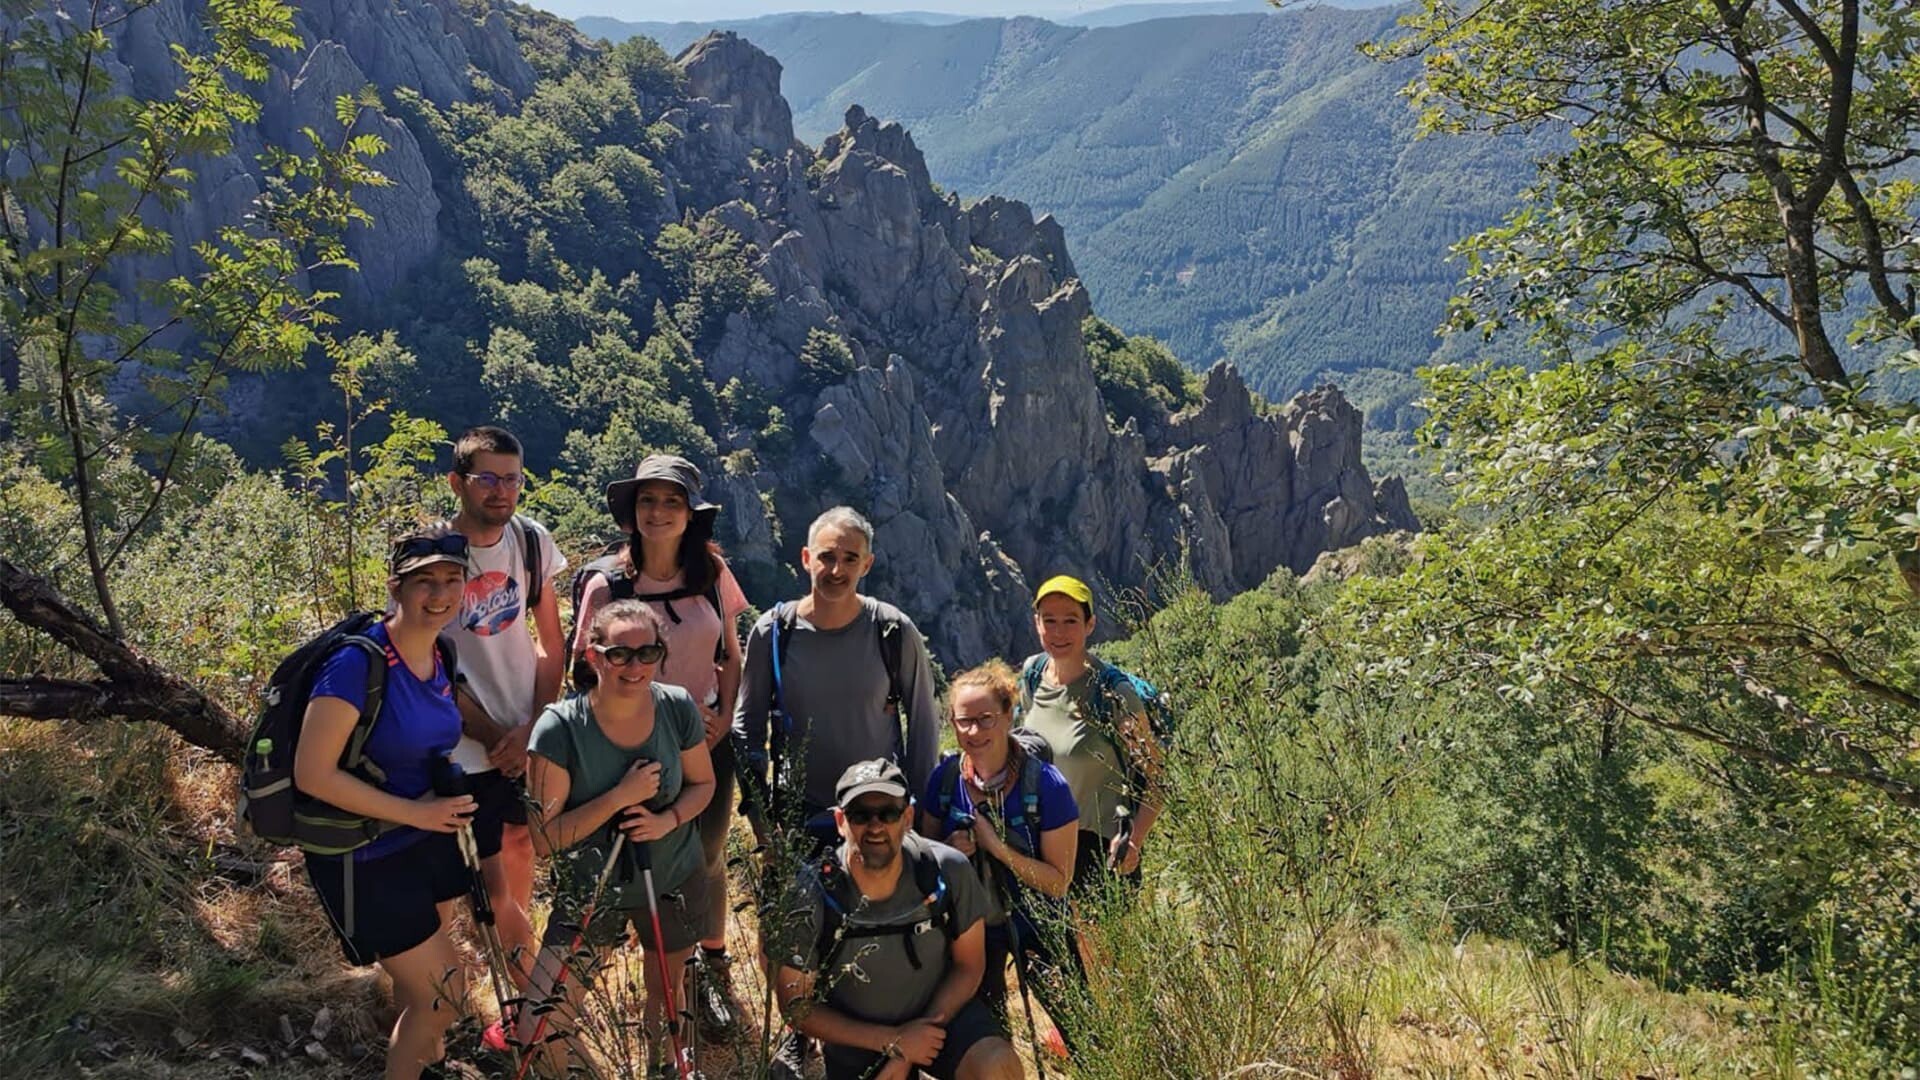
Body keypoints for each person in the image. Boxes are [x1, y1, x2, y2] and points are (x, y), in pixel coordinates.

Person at [570, 454, 749, 1036]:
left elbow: (732, 655)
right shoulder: (608, 584)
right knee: (630, 857)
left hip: (704, 743)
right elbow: (583, 667)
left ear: (690, 513)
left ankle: (707, 965)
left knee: (706, 855)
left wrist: (722, 715)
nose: (659, 512)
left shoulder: (712, 574)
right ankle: (622, 970)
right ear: (632, 510)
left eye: (672, 501)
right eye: (648, 500)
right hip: (629, 749)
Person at [294, 529, 480, 1080]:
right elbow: (312, 772)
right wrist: (419, 814)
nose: (440, 593)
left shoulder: (441, 652)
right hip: (363, 855)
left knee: (420, 989)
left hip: (422, 841)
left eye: (451, 580)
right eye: (424, 581)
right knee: (446, 994)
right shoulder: (357, 665)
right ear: (395, 586)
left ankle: (430, 1065)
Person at [519, 600, 716, 1076]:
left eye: (647, 653)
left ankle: (662, 1069)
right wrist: (618, 797)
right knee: (537, 1027)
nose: (635, 666)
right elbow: (545, 839)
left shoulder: (675, 707)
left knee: (667, 1000)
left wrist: (666, 820)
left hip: (671, 873)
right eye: (619, 654)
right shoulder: (559, 728)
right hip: (591, 890)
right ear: (594, 657)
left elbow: (703, 785)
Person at [773, 760, 1023, 1080]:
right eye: (860, 814)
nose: (875, 826)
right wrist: (892, 1042)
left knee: (998, 1066)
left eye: (888, 813)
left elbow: (970, 966)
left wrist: (916, 1039)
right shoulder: (811, 894)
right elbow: (795, 1005)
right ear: (840, 821)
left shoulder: (947, 870)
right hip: (860, 1036)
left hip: (943, 1018)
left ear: (907, 818)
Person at [440, 425, 567, 1017]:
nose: (501, 491)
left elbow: (552, 646)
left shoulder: (532, 543)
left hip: (525, 731)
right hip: (463, 745)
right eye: (486, 478)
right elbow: (426, 666)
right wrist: (494, 736)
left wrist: (534, 729)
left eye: (511, 479)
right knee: (482, 869)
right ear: (458, 482)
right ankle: (506, 993)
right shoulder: (433, 556)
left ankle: (522, 992)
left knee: (520, 845)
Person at [733, 506, 939, 855]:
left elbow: (923, 726)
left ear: (867, 564)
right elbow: (746, 727)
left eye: (849, 558)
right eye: (826, 556)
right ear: (805, 558)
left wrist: (916, 821)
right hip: (798, 820)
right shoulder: (773, 632)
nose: (836, 570)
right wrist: (762, 824)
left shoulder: (892, 630)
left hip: (881, 818)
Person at [919, 660, 1081, 1047]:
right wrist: (947, 853)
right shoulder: (943, 781)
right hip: (972, 931)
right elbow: (922, 860)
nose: (974, 731)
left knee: (1081, 1029)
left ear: (1009, 715)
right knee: (988, 1038)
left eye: (986, 718)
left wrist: (996, 848)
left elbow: (1059, 883)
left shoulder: (1046, 784)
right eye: (964, 721)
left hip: (1041, 925)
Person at [1017, 575, 1164, 895]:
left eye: (1071, 620)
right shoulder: (1032, 675)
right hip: (1043, 848)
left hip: (1099, 853)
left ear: (1090, 624)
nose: (1058, 632)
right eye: (1049, 620)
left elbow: (1159, 778)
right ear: (1037, 623)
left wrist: (1135, 842)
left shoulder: (1114, 694)